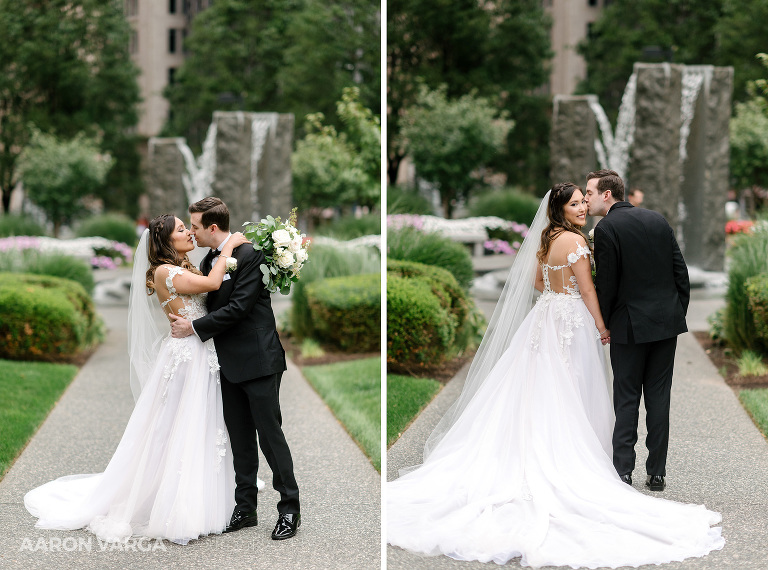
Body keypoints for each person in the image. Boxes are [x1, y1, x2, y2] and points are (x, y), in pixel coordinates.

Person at [386, 183, 723, 568]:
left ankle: (594, 461)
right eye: (576, 203)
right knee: (575, 389)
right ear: (561, 209)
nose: (583, 207)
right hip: (574, 321)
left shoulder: (546, 241)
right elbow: (589, 291)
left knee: (538, 386)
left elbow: (534, 283)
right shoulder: (581, 242)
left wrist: (560, 288)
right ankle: (617, 467)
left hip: (545, 318)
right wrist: (600, 325)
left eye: (585, 200)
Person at [25, 214, 252, 544]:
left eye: (188, 227)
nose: (189, 232)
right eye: (180, 229)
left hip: (201, 351)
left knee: (199, 424)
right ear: (165, 241)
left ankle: (200, 493)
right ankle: (168, 502)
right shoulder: (164, 272)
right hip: (186, 357)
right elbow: (213, 285)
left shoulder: (186, 267)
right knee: (174, 426)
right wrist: (231, 243)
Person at [169, 197, 300, 540]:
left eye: (194, 226)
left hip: (258, 360)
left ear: (213, 227)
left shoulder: (250, 255)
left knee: (270, 437)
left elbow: (240, 307)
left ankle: (289, 509)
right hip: (225, 364)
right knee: (239, 439)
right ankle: (246, 509)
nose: (192, 231)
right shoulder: (212, 259)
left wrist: (194, 329)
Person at [584, 170, 689, 492]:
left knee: (626, 398)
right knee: (659, 398)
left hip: (628, 326)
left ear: (607, 194)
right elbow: (680, 274)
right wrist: (673, 314)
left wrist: (604, 323)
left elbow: (607, 284)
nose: (586, 199)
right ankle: (657, 474)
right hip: (665, 324)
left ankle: (623, 472)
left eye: (589, 192)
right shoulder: (658, 220)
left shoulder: (607, 228)